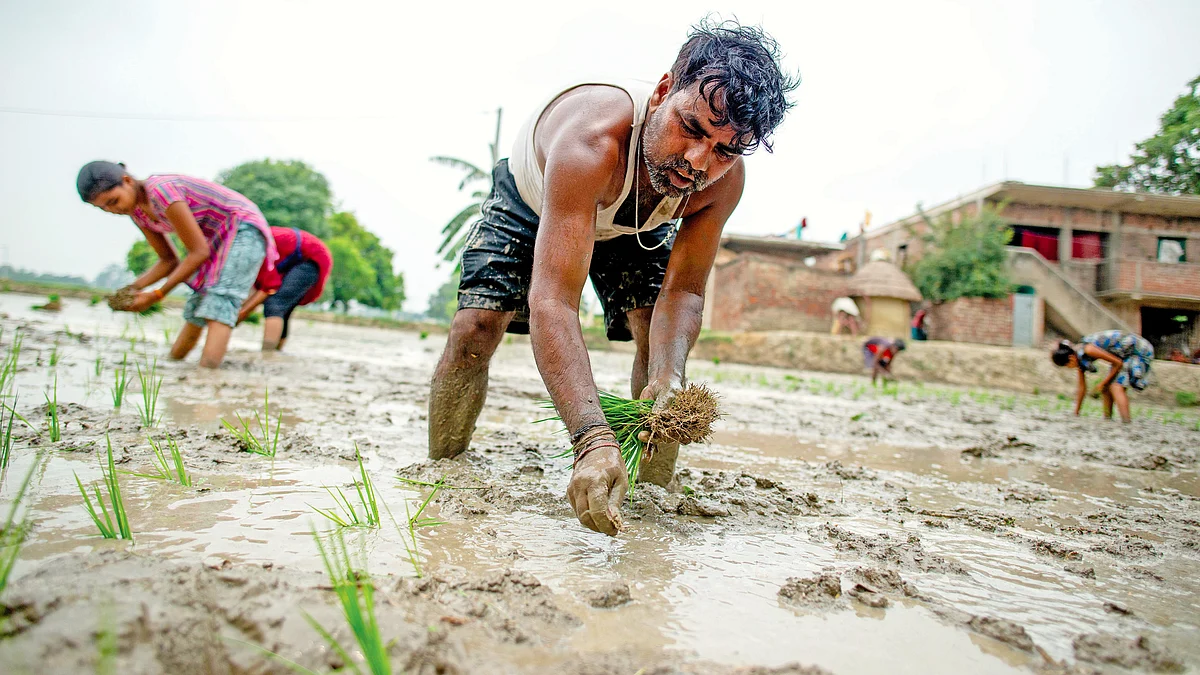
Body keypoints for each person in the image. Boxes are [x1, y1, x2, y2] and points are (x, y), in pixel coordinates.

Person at [427, 19, 797, 536]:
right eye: (690, 128)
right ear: (664, 93)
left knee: (659, 345)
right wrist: (591, 438)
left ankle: (651, 493)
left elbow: (685, 292)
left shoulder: (720, 184)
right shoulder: (590, 141)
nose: (697, 161)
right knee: (477, 326)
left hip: (635, 223)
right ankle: (440, 468)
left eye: (724, 149)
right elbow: (553, 301)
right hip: (540, 198)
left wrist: (670, 379)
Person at [77, 161, 278, 368]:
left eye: (113, 201)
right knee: (198, 301)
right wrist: (131, 290)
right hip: (214, 236)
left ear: (127, 181)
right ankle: (174, 364)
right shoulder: (137, 213)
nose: (112, 210)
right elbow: (168, 261)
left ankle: (206, 377)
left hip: (243, 225)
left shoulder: (162, 191)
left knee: (221, 300)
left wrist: (157, 294)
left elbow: (198, 252)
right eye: (103, 208)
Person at [237, 227, 333, 351]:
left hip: (311, 257)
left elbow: (269, 287)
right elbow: (256, 290)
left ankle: (267, 353)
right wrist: (242, 310)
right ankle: (277, 351)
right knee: (283, 309)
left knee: (275, 304)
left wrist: (243, 313)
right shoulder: (248, 247)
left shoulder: (256, 248)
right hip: (296, 257)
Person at [1051, 330, 1155, 423]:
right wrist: (1076, 413)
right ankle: (1107, 419)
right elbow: (1082, 388)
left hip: (1138, 351)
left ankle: (1126, 422)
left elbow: (1118, 363)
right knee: (1106, 388)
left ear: (1071, 358)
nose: (1069, 368)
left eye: (1067, 366)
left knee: (1116, 386)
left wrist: (1103, 383)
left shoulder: (1088, 349)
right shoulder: (1079, 358)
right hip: (1123, 355)